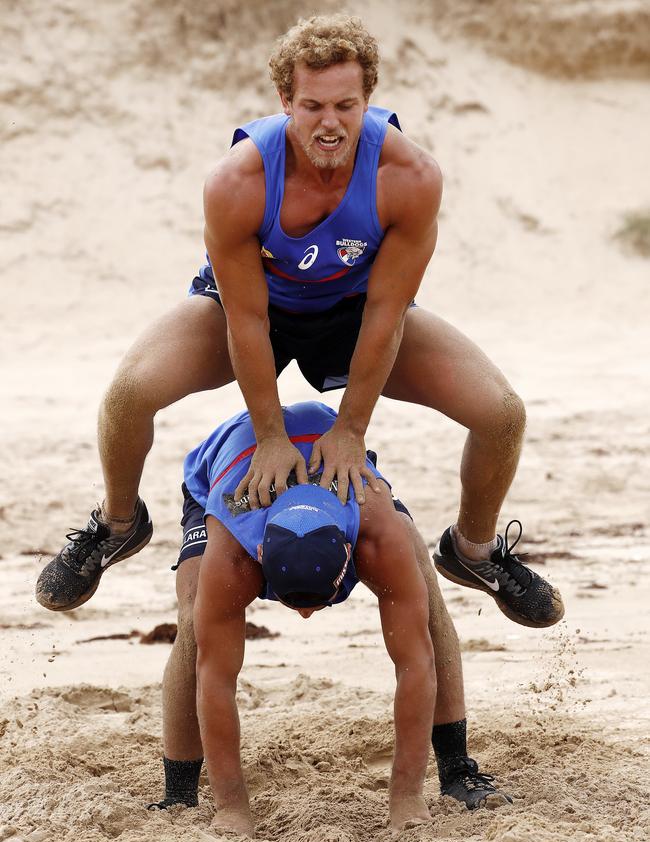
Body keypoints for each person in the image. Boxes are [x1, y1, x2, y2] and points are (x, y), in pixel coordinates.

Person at [36, 14, 563, 632]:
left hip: (355, 312)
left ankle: (472, 551)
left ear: (370, 99)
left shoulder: (411, 178)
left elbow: (387, 315)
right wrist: (271, 436)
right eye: (312, 105)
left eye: (346, 104)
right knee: (128, 394)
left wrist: (350, 430)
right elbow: (247, 320)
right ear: (285, 100)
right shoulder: (238, 180)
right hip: (257, 308)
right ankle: (117, 527)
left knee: (502, 414)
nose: (330, 122)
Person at [147, 400, 514, 835]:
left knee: (425, 598)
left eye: (317, 602)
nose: (304, 614)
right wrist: (232, 807)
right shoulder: (233, 552)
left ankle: (457, 771)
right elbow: (217, 678)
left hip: (335, 458)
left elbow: (416, 665)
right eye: (294, 601)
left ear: (350, 552)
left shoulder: (376, 532)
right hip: (228, 465)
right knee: (195, 626)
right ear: (259, 555)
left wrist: (406, 796)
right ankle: (180, 794)